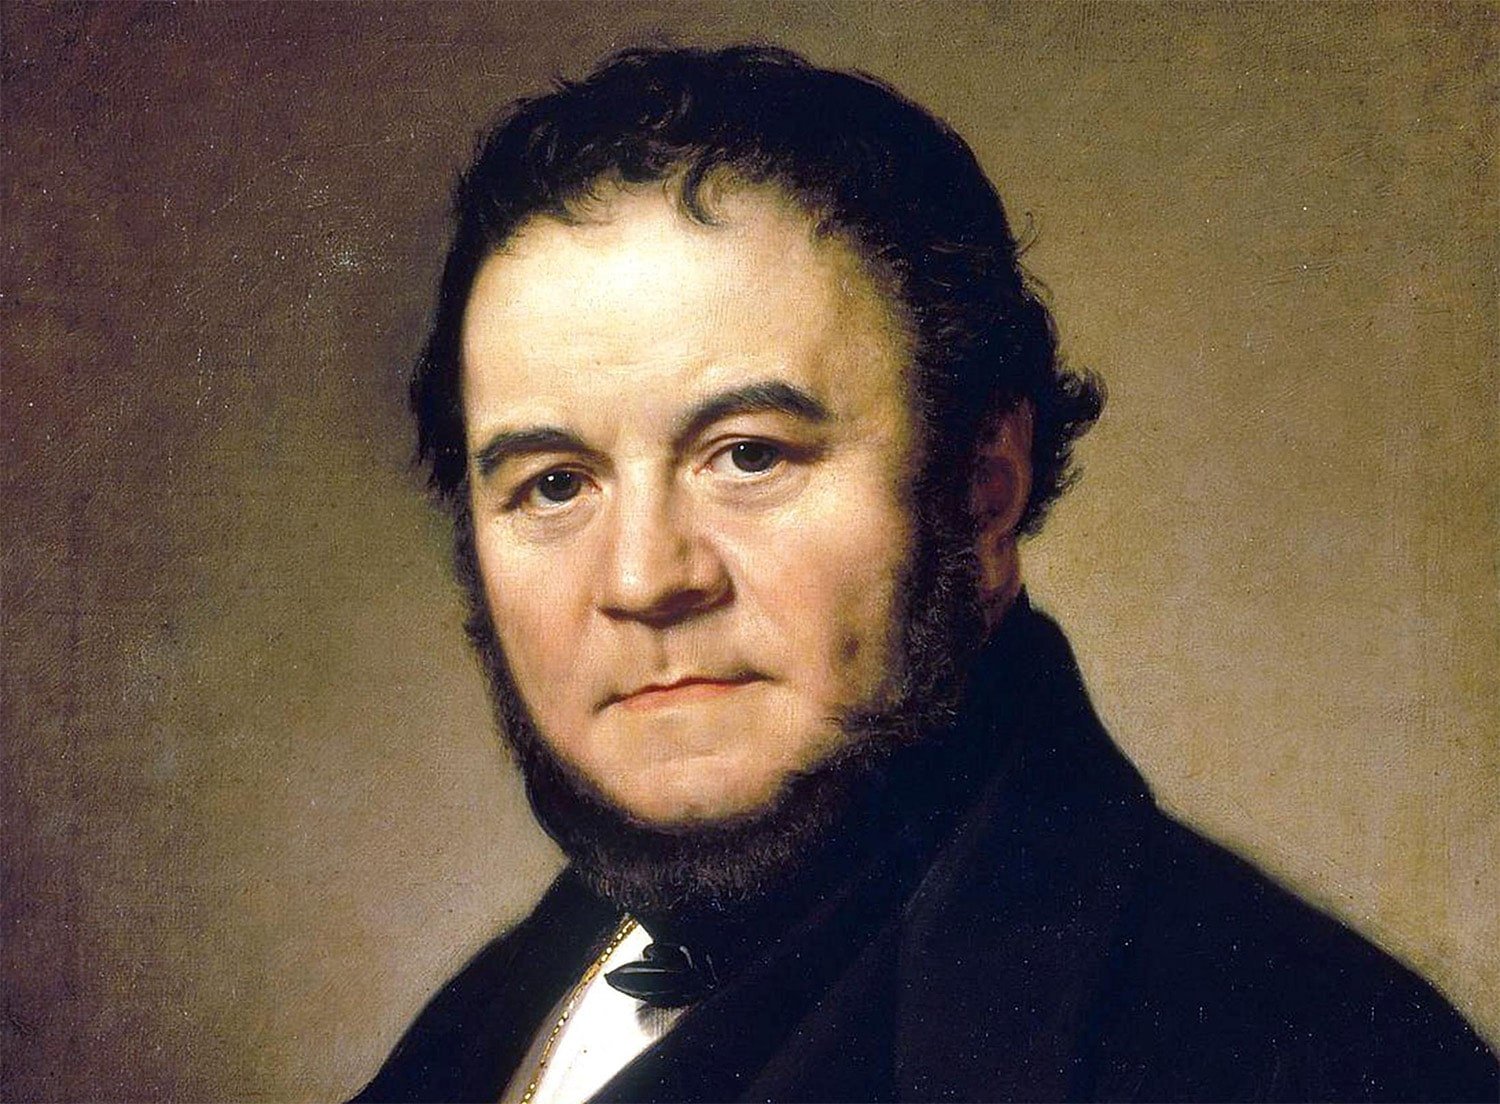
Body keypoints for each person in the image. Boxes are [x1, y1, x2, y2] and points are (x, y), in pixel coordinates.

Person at [355, 44, 1496, 1103]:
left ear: (982, 490)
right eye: (556, 484)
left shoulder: (1314, 1056)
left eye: (749, 456)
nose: (647, 578)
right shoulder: (504, 1008)